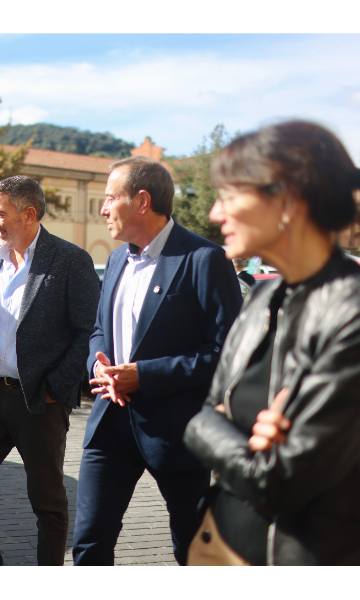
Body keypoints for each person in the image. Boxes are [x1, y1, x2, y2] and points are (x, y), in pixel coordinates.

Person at [184, 121, 360, 566]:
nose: (215, 215)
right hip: (217, 544)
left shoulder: (351, 309)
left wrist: (213, 431)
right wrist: (226, 432)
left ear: (287, 200)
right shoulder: (262, 297)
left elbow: (280, 482)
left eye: (228, 196)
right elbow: (206, 412)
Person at [72, 156, 242, 566]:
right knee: (89, 543)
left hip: (177, 433)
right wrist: (99, 363)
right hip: (109, 425)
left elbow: (229, 354)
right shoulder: (115, 260)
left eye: (111, 198)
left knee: (194, 548)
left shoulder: (204, 259)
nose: (103, 209)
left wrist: (143, 376)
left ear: (142, 201)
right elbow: (100, 328)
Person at [0, 175, 99, 566]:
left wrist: (55, 387)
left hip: (40, 400)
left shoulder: (70, 260)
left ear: (28, 214)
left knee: (47, 501)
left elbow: (89, 330)